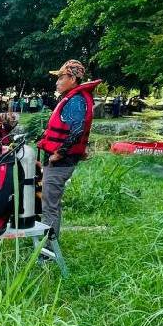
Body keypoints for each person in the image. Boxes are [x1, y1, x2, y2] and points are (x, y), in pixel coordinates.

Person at [36, 59, 100, 242]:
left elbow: (77, 129)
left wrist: (60, 153)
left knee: (50, 206)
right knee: (50, 203)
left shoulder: (76, 100)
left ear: (72, 78)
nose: (57, 82)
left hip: (61, 162)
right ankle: (48, 245)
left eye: (60, 77)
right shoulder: (73, 98)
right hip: (60, 160)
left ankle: (47, 250)